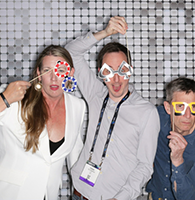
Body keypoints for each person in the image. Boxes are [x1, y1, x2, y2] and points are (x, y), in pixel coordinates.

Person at [65, 16, 160, 200]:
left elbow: (145, 165)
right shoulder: (95, 94)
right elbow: (70, 53)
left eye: (122, 70)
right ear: (101, 73)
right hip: (79, 193)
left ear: (130, 69)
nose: (116, 79)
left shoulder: (147, 112)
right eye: (108, 71)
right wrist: (105, 33)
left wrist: (121, 198)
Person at [0, 45, 86, 200]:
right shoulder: (15, 99)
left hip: (49, 194)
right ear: (39, 74)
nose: (53, 78)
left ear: (71, 73)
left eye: (60, 70)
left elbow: (76, 154)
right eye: (47, 70)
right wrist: (4, 99)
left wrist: (84, 190)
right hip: (12, 193)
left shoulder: (78, 106)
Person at [146, 77, 195, 200]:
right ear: (168, 108)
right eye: (180, 106)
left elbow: (186, 197)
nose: (187, 115)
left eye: (194, 107)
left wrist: (178, 161)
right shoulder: (157, 117)